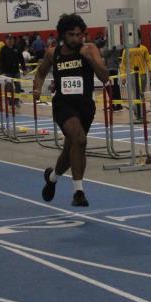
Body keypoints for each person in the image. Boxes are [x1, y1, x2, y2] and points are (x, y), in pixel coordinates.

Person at [36, 14, 110, 207]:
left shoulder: (90, 49)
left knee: (70, 151)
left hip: (85, 107)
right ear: (62, 34)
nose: (76, 39)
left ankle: (52, 178)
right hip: (63, 105)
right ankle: (78, 192)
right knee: (80, 139)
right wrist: (37, 89)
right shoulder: (53, 53)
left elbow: (104, 77)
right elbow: (41, 72)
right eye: (71, 35)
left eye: (79, 35)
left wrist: (90, 59)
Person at [126, 32, 151, 121]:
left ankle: (137, 110)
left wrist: (150, 70)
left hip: (143, 75)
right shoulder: (127, 49)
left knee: (141, 94)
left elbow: (148, 60)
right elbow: (123, 64)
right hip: (133, 75)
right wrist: (123, 77)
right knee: (136, 94)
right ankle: (140, 114)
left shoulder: (144, 48)